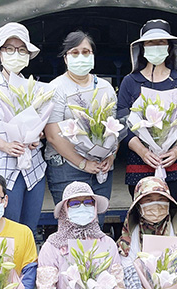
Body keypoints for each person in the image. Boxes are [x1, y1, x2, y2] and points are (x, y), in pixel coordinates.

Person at [0, 22, 45, 233]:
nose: (16, 54)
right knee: (5, 233)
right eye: (10, 49)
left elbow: (40, 126)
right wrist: (4, 145)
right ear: (0, 54)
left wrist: (36, 136)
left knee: (28, 232)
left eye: (22, 50)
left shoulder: (34, 87)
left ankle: (28, 267)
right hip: (0, 172)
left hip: (33, 171)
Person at [116, 19, 177, 202]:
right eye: (151, 43)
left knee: (170, 212)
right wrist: (143, 152)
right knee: (143, 213)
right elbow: (122, 122)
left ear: (169, 47)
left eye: (161, 42)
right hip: (139, 163)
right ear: (142, 48)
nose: (156, 46)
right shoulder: (130, 81)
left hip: (174, 163)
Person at [44, 31, 118, 208]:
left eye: (86, 52)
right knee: (71, 222)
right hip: (67, 168)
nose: (81, 56)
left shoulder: (105, 87)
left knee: (96, 223)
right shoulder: (56, 88)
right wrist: (83, 163)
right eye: (74, 53)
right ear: (65, 59)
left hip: (101, 168)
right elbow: (53, 136)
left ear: (93, 56)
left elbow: (114, 128)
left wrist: (112, 156)